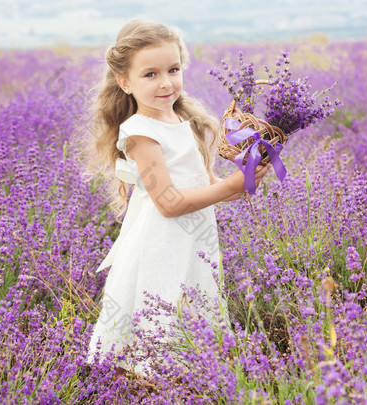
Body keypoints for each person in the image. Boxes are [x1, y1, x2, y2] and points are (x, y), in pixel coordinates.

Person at [84, 19, 270, 377]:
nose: (166, 82)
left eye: (172, 69)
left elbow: (205, 187)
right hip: (161, 241)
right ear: (125, 82)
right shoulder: (139, 132)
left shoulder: (183, 120)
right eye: (150, 75)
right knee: (160, 305)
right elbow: (168, 202)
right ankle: (147, 384)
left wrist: (245, 180)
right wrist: (228, 187)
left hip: (195, 239)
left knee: (194, 304)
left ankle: (191, 378)